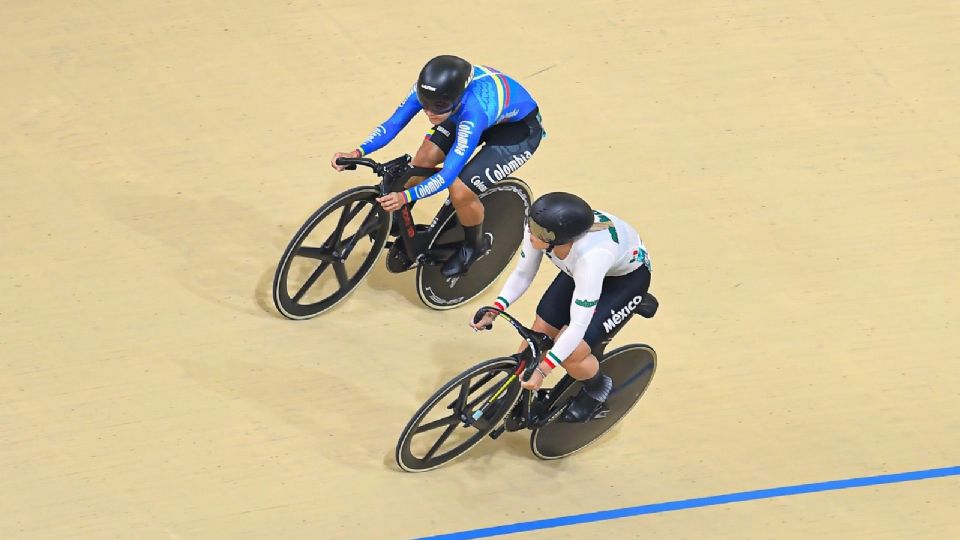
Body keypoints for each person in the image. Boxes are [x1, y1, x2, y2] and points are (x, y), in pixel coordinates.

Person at [331, 55, 545, 277]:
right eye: (424, 105)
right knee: (422, 160)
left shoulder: (473, 112)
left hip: (516, 132)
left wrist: (405, 196)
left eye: (438, 106)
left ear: (458, 97)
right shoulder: (433, 95)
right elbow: (393, 124)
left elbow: (446, 176)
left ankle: (474, 247)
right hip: (458, 112)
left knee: (461, 190)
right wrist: (357, 152)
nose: (430, 113)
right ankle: (399, 219)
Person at [471, 192, 653, 422]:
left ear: (560, 239)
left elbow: (578, 325)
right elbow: (522, 274)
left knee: (573, 355)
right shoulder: (541, 231)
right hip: (581, 271)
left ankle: (596, 390)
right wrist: (496, 308)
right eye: (531, 223)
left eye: (538, 230)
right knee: (539, 333)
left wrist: (543, 370)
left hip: (623, 282)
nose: (529, 231)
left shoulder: (591, 258)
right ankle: (513, 391)